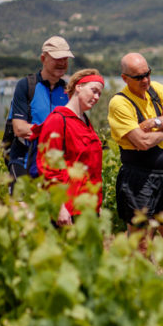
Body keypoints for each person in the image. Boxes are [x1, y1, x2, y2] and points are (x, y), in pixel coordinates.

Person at [108, 53, 163, 253]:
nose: (145, 80)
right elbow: (143, 142)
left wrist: (156, 122)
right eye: (138, 77)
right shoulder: (120, 103)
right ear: (125, 78)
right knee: (141, 245)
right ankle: (139, 284)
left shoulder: (157, 89)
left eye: (147, 74)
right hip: (137, 178)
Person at [36, 69, 104, 225]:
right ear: (79, 87)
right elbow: (48, 167)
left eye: (99, 94)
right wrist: (60, 208)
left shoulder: (85, 121)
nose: (97, 97)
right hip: (68, 210)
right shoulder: (58, 120)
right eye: (94, 91)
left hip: (88, 207)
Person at [7, 36, 75, 190]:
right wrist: (54, 132)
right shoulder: (26, 86)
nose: (62, 62)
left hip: (55, 166)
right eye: (57, 58)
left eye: (65, 58)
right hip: (23, 161)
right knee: (23, 211)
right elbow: (19, 128)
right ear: (43, 59)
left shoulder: (68, 91)